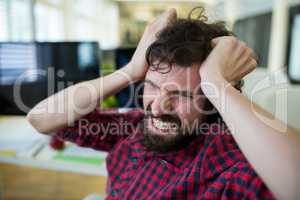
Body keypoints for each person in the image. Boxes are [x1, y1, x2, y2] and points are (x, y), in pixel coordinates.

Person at [27, 7, 300, 200]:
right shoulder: (132, 126)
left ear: (214, 103)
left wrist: (217, 82)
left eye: (181, 95)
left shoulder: (222, 160)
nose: (157, 108)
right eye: (152, 87)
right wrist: (130, 71)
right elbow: (41, 118)